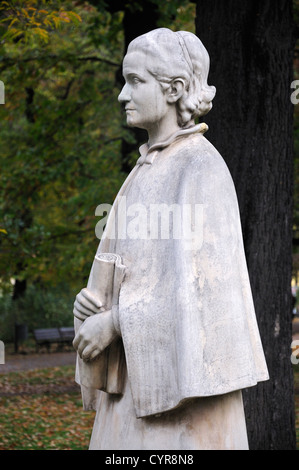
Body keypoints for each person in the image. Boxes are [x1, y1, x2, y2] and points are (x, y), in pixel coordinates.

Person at [72, 28, 269, 450]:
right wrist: (93, 305)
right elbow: (126, 272)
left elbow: (205, 297)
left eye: (135, 81)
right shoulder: (143, 172)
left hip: (185, 415)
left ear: (174, 88)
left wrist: (115, 322)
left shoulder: (200, 168)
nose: (123, 95)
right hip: (130, 396)